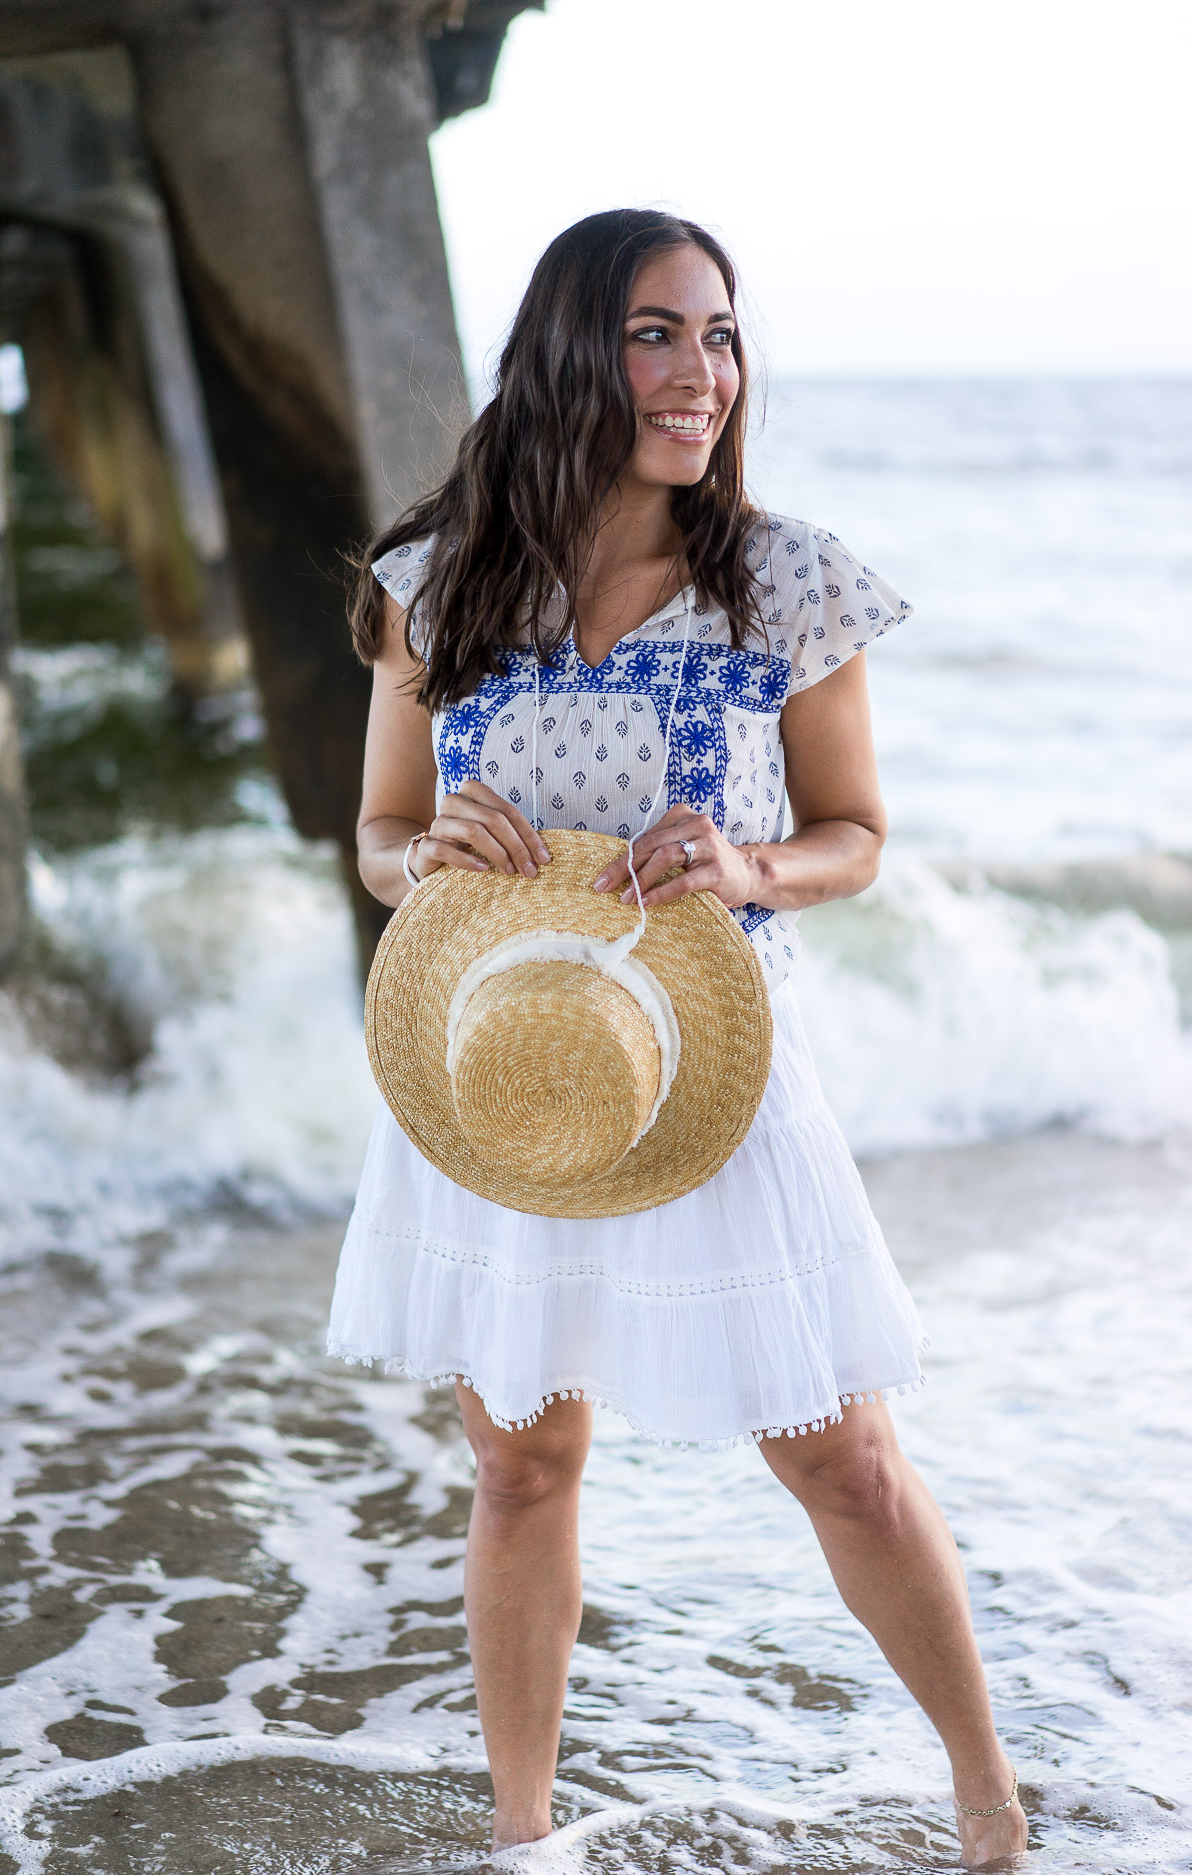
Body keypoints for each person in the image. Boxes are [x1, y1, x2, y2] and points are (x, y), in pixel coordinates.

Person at [332, 209, 1028, 1867]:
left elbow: (854, 834)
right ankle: (521, 1838)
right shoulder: (432, 585)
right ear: (576, 349)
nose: (701, 373)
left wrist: (746, 865)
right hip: (506, 1069)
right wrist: (421, 856)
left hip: (713, 1075)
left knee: (841, 1453)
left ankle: (990, 1806)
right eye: (659, 333)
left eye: (718, 337)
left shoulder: (778, 577)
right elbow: (372, 833)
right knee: (519, 1462)